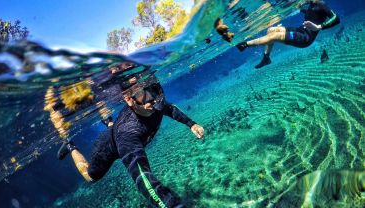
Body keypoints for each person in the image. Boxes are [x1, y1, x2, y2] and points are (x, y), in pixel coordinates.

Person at [57, 67, 204, 208]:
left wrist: (192, 124)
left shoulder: (154, 103)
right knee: (91, 177)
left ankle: (109, 123)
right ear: (129, 100)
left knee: (120, 125)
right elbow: (144, 180)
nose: (152, 99)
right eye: (143, 95)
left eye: (154, 89)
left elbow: (169, 108)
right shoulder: (128, 134)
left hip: (120, 130)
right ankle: (70, 145)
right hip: (108, 146)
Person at [236, 0, 340, 68]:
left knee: (274, 36)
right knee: (271, 30)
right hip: (300, 31)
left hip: (305, 38)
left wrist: (319, 27)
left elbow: (336, 18)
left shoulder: (322, 5)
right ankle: (266, 58)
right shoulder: (312, 5)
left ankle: (245, 44)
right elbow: (312, 13)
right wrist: (300, 8)